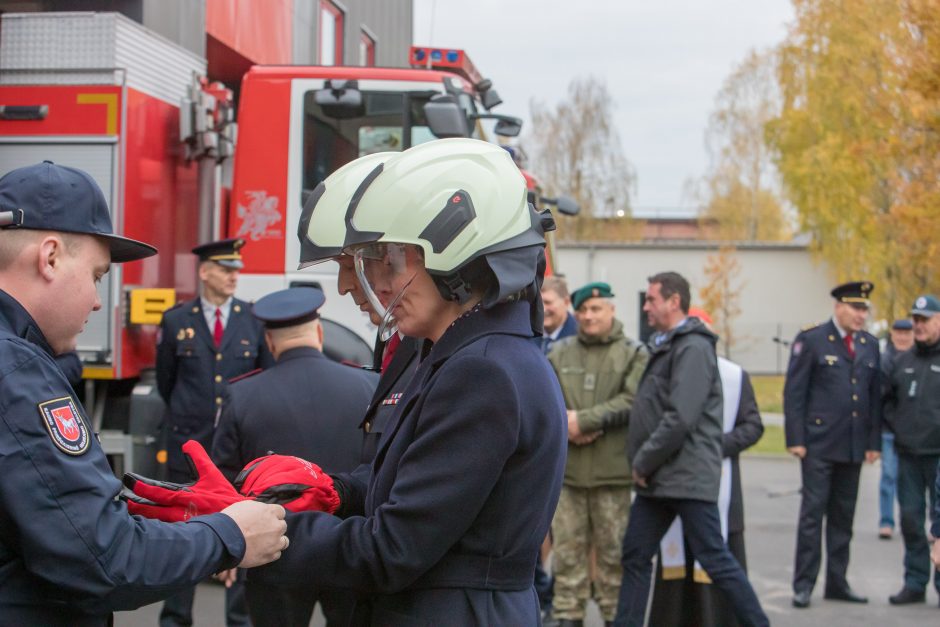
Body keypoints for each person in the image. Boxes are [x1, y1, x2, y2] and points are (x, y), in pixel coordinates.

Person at [242, 138, 567, 624]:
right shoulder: (464, 356)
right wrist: (336, 490)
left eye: (386, 259)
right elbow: (407, 479)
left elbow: (393, 549)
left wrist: (257, 531)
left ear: (455, 258)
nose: (364, 283)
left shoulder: (482, 371)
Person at [0, 161, 287, 625]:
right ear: (49, 257)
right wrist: (229, 535)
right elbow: (105, 556)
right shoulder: (17, 371)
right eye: (96, 275)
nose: (97, 300)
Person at [211, 286, 378, 626]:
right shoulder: (367, 385)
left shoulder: (242, 394)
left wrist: (226, 546)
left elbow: (225, 481)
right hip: (349, 547)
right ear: (319, 332)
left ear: (270, 343)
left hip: (274, 552)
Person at [614, 271, 768, 627]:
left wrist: (643, 460)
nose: (646, 306)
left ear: (674, 301)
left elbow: (680, 417)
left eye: (652, 299)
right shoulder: (668, 343)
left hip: (683, 476)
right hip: (660, 479)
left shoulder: (694, 346)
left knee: (715, 558)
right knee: (635, 555)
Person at [155, 236, 275, 627]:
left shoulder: (253, 318)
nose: (233, 277)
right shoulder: (176, 320)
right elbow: (166, 382)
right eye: (225, 270)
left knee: (242, 530)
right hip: (188, 446)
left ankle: (239, 621)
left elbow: (263, 379)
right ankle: (175, 618)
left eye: (236, 270)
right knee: (182, 532)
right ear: (205, 272)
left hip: (234, 449)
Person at [648, 307, 764, 627]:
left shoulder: (734, 376)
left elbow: (752, 425)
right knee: (677, 568)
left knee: (719, 564)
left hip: (720, 489)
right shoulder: (668, 372)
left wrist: (715, 446)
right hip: (675, 486)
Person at [547, 281, 648, 627]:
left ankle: (613, 619)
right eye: (583, 310)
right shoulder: (558, 352)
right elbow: (546, 397)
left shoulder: (634, 353)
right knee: (567, 560)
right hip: (569, 477)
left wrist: (585, 421)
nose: (589, 316)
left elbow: (634, 400)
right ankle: (566, 618)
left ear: (611, 310)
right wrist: (567, 423)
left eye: (596, 309)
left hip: (612, 476)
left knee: (612, 562)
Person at [784, 281, 882, 608]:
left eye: (864, 309)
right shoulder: (812, 339)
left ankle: (837, 582)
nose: (860, 315)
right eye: (856, 308)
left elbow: (873, 398)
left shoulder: (869, 345)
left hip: (853, 446)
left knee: (843, 519)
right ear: (839, 306)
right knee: (812, 518)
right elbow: (795, 393)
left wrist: (873, 442)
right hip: (818, 445)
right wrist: (795, 438)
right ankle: (803, 584)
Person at [882, 295, 940, 606]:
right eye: (915, 318)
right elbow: (887, 401)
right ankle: (915, 582)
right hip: (909, 456)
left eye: (925, 319)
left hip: (938, 456)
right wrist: (898, 428)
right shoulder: (903, 361)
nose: (918, 325)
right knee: (910, 520)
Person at [879, 318, 914, 540]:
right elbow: (882, 398)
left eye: (906, 333)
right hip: (890, 429)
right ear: (892, 334)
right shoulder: (885, 360)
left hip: (914, 432)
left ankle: (910, 521)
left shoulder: (920, 358)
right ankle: (886, 521)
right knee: (889, 476)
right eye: (898, 333)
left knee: (911, 480)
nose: (902, 337)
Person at [538, 275, 578, 354]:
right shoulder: (527, 335)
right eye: (538, 303)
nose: (542, 309)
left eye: (548, 302)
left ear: (566, 302)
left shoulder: (580, 337)